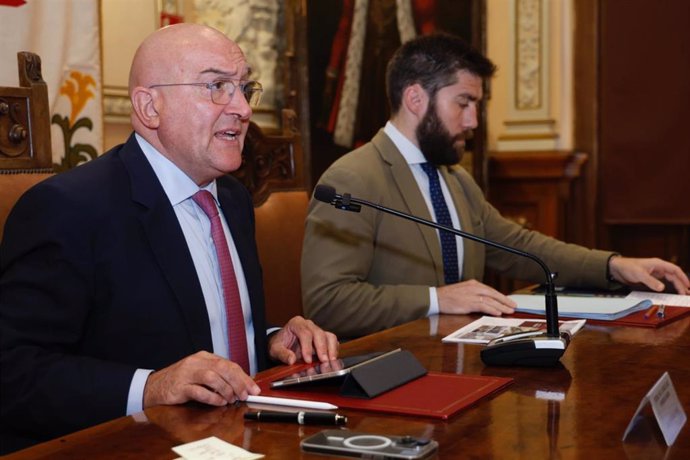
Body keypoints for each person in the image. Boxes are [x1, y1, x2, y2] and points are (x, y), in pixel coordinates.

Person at [0, 23, 338, 453]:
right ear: (149, 107)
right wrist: (151, 386)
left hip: (243, 435)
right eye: (217, 86)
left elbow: (205, 331)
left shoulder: (232, 199)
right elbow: (13, 372)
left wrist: (270, 339)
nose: (243, 108)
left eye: (244, 87)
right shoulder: (69, 208)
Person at [301, 33, 690, 339]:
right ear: (416, 98)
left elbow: (522, 247)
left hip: (461, 360)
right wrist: (437, 299)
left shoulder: (456, 180)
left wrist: (614, 266)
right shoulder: (353, 179)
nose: (472, 121)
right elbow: (329, 302)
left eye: (477, 106)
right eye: (463, 103)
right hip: (389, 372)